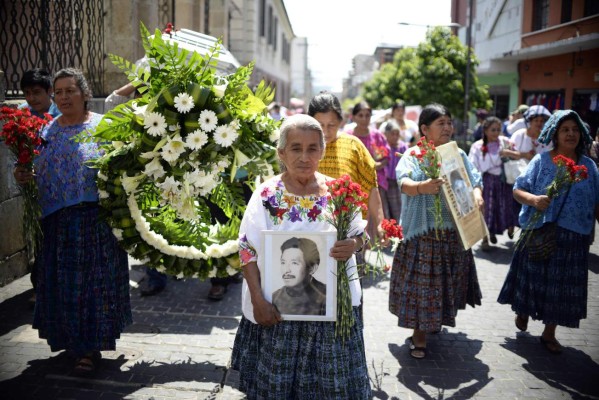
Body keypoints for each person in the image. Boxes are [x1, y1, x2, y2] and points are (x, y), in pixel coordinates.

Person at [231, 114, 371, 399]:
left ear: (322, 151)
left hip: (332, 312)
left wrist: (354, 243)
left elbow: (362, 235)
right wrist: (258, 301)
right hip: (278, 313)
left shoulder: (338, 192)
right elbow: (247, 249)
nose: (304, 156)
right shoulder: (267, 195)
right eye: (296, 148)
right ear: (281, 153)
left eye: (312, 148)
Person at [13, 68, 132, 376]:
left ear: (84, 93)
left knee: (94, 289)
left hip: (97, 225)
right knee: (66, 288)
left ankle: (88, 349)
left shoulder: (103, 127)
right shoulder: (45, 132)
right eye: (59, 92)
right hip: (58, 225)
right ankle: (73, 342)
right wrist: (23, 175)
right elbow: (33, 173)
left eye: (70, 91)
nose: (64, 97)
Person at [497, 110, 599, 354]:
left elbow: (596, 202)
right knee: (534, 280)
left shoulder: (590, 167)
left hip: (574, 237)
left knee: (560, 286)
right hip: (539, 231)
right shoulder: (541, 161)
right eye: (565, 129)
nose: (571, 134)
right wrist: (533, 200)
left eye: (575, 129)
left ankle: (549, 333)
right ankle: (523, 310)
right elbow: (518, 190)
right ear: (555, 133)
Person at [388, 103, 484, 359]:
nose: (448, 128)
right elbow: (404, 182)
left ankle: (431, 324)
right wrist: (422, 187)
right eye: (441, 123)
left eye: (449, 123)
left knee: (442, 286)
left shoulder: (457, 154)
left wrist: (477, 195)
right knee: (423, 288)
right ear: (424, 129)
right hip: (423, 236)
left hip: (453, 235)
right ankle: (419, 336)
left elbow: (475, 179)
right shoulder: (413, 154)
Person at [307, 92, 386, 258]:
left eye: (332, 125)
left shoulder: (353, 146)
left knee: (350, 281)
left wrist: (380, 223)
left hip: (350, 239)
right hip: (309, 236)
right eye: (320, 125)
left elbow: (371, 187)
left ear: (341, 122)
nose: (326, 131)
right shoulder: (302, 149)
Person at [468, 116, 518, 249]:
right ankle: (485, 239)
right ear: (485, 131)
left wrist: (510, 153)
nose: (496, 133)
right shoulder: (477, 146)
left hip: (504, 181)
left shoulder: (505, 142)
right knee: (487, 209)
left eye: (498, 130)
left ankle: (506, 229)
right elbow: (473, 166)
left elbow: (516, 153)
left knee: (505, 206)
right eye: (493, 130)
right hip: (487, 181)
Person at [344, 100, 390, 246]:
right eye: (360, 115)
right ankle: (359, 251)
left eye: (367, 115)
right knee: (357, 221)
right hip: (354, 186)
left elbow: (386, 157)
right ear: (354, 117)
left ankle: (370, 249)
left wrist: (375, 166)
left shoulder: (377, 136)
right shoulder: (348, 136)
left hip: (374, 184)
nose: (364, 119)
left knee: (374, 218)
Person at [271, 237, 326, 316]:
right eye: (283, 263)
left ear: (312, 268)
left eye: (294, 263)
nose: (287, 270)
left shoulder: (328, 295)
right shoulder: (275, 297)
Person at [379, 119, 408, 221]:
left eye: (397, 134)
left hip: (397, 183)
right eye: (392, 134)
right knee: (384, 210)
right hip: (383, 182)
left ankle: (399, 232)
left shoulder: (403, 147)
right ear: (385, 134)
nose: (395, 136)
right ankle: (388, 233)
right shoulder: (382, 147)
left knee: (398, 210)